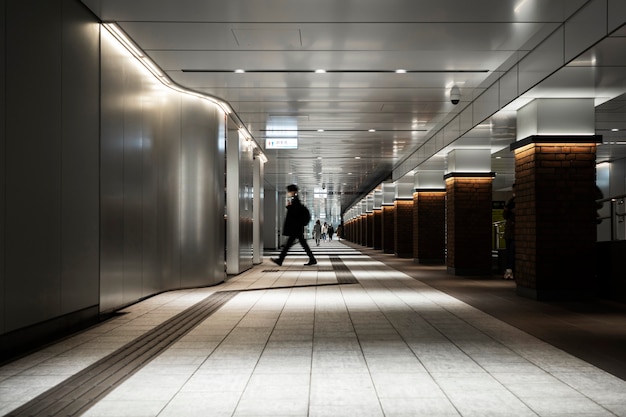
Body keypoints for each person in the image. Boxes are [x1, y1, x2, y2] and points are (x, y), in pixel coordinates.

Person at [271, 184, 317, 266]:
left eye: (289, 191)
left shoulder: (295, 200)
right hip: (297, 228)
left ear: (292, 191)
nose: (288, 193)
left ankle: (280, 260)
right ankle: (312, 259)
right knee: (300, 244)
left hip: (296, 228)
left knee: (288, 245)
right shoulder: (295, 200)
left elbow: (296, 213)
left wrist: (289, 207)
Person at [503, 183, 516, 280]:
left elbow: (506, 213)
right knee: (510, 251)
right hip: (510, 231)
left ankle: (510, 270)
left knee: (511, 251)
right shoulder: (512, 200)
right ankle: (509, 270)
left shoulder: (513, 201)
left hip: (512, 231)